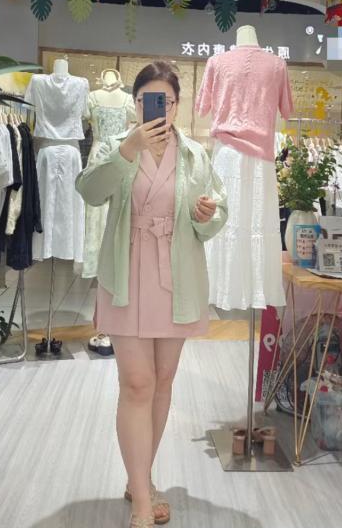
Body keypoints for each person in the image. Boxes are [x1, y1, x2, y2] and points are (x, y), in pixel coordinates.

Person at [76, 61, 228, 528]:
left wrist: (208, 215)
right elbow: (89, 191)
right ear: (136, 103)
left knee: (162, 382)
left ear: (177, 106)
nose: (158, 109)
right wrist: (129, 149)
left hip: (176, 278)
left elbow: (218, 210)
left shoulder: (194, 155)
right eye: (148, 100)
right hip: (126, 275)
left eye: (167, 101)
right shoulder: (115, 146)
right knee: (137, 383)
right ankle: (142, 503)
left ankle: (138, 479)